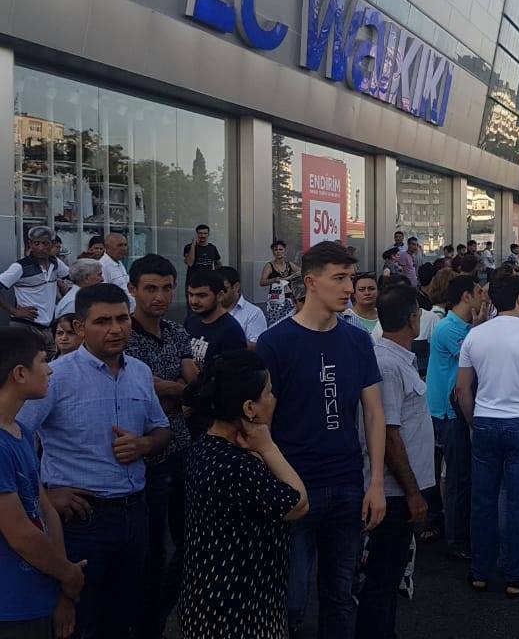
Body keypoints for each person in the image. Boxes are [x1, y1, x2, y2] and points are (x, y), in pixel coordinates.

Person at [17, 283, 172, 637]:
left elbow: (162, 429)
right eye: (103, 321)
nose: (116, 329)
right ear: (80, 328)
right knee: (78, 619)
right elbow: (14, 437)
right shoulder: (56, 376)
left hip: (135, 513)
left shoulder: (140, 372)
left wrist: (144, 445)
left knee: (123, 615)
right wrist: (45, 497)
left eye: (122, 319)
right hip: (79, 519)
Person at [256, 240, 386, 639]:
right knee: (291, 598)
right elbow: (261, 424)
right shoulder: (274, 342)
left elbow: (374, 412)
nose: (349, 287)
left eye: (352, 278)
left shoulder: (357, 340)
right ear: (311, 282)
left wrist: (376, 482)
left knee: (340, 595)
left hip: (348, 484)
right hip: (293, 488)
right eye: (340, 278)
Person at [179, 350, 309, 639]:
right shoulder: (237, 466)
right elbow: (298, 503)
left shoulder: (203, 448)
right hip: (240, 611)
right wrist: (267, 447)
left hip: (208, 602)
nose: (274, 399)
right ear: (249, 408)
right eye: (269, 393)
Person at [455, 275, 519, 598]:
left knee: (483, 501)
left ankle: (480, 572)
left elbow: (462, 389)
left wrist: (474, 422)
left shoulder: (474, 336)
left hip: (485, 422)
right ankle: (516, 576)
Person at [126, 254, 199, 639]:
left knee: (189, 543)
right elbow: (143, 388)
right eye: (151, 288)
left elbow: (196, 386)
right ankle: (148, 623)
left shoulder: (175, 330)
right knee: (151, 550)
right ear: (133, 290)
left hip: (182, 450)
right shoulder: (124, 334)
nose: (160, 296)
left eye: (167, 288)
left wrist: (174, 391)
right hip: (147, 460)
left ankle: (167, 611)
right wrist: (179, 391)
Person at [355, 286, 435, 637]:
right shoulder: (388, 364)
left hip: (399, 489)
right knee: (382, 580)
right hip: (393, 492)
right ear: (412, 320)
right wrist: (413, 494)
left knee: (388, 578)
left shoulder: (396, 357)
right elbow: (388, 434)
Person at [0, 327, 85, 639]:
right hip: (9, 607)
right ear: (20, 373)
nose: (50, 368)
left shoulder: (19, 430)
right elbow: (20, 534)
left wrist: (63, 583)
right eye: (43, 360)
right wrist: (69, 574)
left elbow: (44, 510)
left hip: (38, 593)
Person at [427, 274, 483, 561]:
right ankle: (456, 538)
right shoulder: (451, 328)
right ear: (466, 297)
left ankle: (455, 530)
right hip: (449, 412)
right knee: (458, 477)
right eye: (478, 291)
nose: (482, 296)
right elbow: (474, 359)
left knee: (458, 474)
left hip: (453, 408)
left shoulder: (461, 326)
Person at [0, 225, 71, 336]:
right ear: (30, 244)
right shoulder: (20, 267)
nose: (40, 248)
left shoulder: (55, 263)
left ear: (52, 244)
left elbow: (74, 277)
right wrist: (14, 311)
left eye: (45, 243)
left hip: (47, 327)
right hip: (25, 326)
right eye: (36, 243)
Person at [185, 269, 248, 369]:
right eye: (191, 295)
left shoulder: (231, 332)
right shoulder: (191, 321)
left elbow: (234, 378)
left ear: (220, 296)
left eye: (202, 296)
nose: (194, 301)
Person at [217, 266, 268, 346]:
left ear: (236, 287)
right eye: (215, 290)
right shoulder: (210, 310)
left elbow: (257, 346)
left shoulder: (253, 313)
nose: (219, 294)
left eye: (224, 290)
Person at [261, 240, 300, 328]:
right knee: (275, 324)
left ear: (284, 251)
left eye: (280, 249)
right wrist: (274, 280)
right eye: (276, 250)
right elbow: (262, 282)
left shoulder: (289, 264)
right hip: (276, 299)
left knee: (291, 322)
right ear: (273, 252)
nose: (278, 252)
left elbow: (301, 272)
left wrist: (291, 277)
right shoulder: (269, 265)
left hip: (289, 298)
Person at [98, 233, 134, 311]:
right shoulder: (102, 266)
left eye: (125, 245)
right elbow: (104, 295)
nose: (124, 248)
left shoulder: (119, 263)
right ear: (107, 248)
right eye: (120, 245)